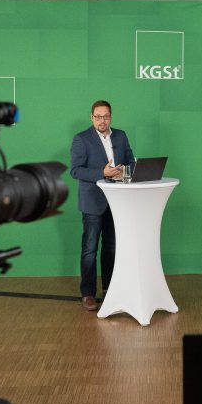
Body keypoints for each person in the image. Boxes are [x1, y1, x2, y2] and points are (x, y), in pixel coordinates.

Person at [70, 100, 135, 311]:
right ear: (92, 117)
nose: (102, 121)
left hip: (117, 201)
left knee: (112, 248)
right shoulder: (81, 139)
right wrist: (102, 173)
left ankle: (110, 289)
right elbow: (76, 170)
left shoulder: (121, 136)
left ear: (111, 117)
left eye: (106, 116)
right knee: (90, 249)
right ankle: (88, 293)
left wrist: (124, 171)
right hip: (93, 201)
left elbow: (131, 162)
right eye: (98, 117)